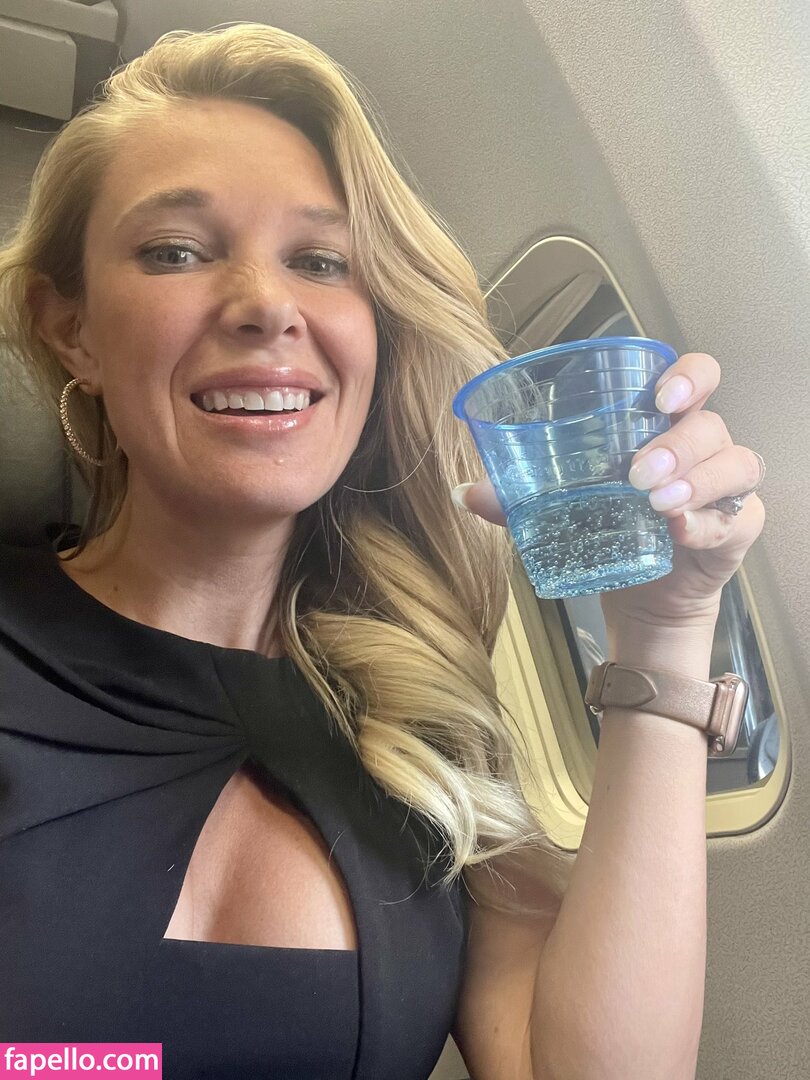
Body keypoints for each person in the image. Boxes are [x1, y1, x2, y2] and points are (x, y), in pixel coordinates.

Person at [0, 22, 766, 1080]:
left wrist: (668, 632)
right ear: (71, 327)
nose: (266, 305)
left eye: (321, 261)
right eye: (176, 250)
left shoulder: (418, 728)